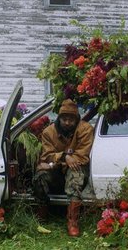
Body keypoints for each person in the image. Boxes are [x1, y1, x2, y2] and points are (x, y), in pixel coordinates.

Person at [33, 98, 94, 237]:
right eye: (64, 118)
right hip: (57, 172)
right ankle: (42, 215)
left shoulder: (85, 129)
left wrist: (55, 161)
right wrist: (64, 157)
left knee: (76, 175)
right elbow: (46, 156)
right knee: (40, 176)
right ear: (59, 117)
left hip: (75, 168)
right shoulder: (49, 132)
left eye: (71, 119)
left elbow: (82, 157)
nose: (67, 122)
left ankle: (72, 222)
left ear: (77, 118)